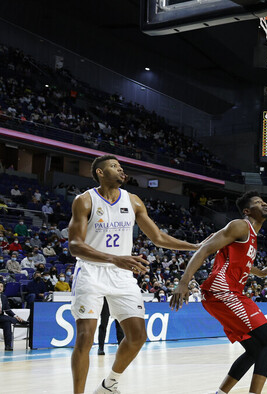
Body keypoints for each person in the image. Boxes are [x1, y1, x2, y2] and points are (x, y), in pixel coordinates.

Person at [68, 154, 202, 394]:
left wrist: (195, 246)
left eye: (121, 167)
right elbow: (75, 245)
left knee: (138, 336)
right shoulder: (85, 200)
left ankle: (109, 384)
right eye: (114, 166)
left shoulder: (134, 201)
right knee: (85, 337)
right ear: (100, 172)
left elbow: (158, 237)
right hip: (91, 271)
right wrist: (114, 258)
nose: (121, 170)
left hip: (121, 274)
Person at [170, 191, 267, 394]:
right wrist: (183, 282)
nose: (263, 203)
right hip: (223, 292)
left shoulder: (251, 236)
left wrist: (260, 272)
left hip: (226, 294)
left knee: (255, 350)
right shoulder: (240, 225)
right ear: (247, 211)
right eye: (258, 202)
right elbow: (203, 250)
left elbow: (243, 262)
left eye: (264, 201)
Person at [1, 282, 28, 351]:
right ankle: (20, 322)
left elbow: (8, 310)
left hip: (1, 318)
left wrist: (16, 316)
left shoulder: (3, 297)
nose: (0, 288)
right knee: (7, 319)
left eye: (1, 286)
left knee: (7, 323)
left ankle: (8, 346)